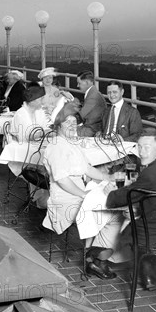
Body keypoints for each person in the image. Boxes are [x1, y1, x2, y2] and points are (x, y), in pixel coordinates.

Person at [42, 105, 119, 280]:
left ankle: (95, 256)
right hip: (65, 197)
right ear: (58, 125)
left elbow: (87, 168)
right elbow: (62, 180)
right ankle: (95, 259)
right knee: (108, 212)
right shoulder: (56, 147)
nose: (71, 125)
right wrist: (84, 195)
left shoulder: (71, 143)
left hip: (78, 191)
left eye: (74, 121)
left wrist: (109, 177)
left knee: (111, 207)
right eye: (67, 122)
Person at [105, 128, 156, 289]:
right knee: (131, 218)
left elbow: (116, 199)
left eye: (147, 147)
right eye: (139, 147)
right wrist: (139, 209)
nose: (141, 152)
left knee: (125, 229)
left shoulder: (150, 174)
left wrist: (110, 193)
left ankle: (149, 272)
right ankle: (151, 270)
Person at [76, 71, 106, 137]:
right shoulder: (93, 92)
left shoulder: (93, 96)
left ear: (86, 82)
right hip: (91, 126)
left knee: (64, 132)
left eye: (79, 83)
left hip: (92, 129)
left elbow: (80, 116)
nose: (77, 86)